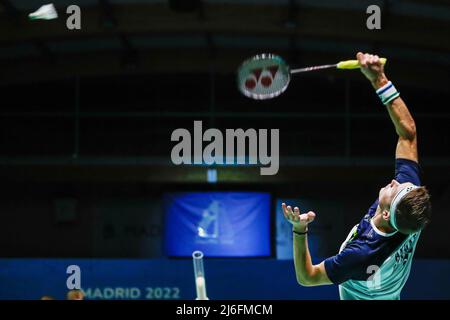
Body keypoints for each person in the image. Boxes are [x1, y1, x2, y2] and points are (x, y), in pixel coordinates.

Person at [282, 52, 432, 300]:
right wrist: (379, 80)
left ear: (385, 214)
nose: (395, 182)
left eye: (394, 189)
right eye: (402, 185)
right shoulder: (408, 208)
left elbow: (307, 277)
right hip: (392, 290)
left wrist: (299, 230)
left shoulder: (362, 255)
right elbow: (408, 133)